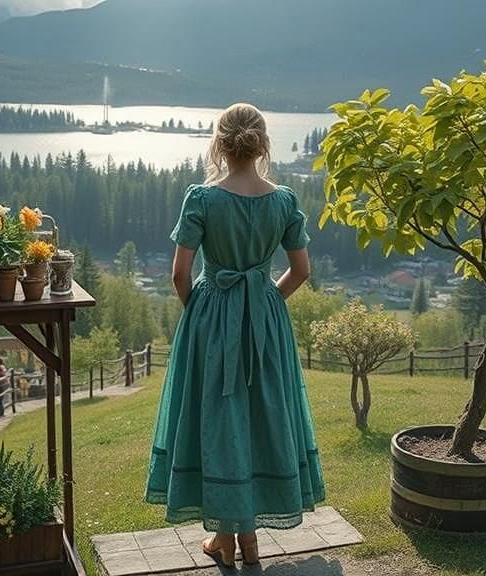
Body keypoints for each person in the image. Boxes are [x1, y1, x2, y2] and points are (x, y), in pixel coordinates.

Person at [145, 103, 325, 567]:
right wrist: (262, 303)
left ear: (220, 144)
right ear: (263, 143)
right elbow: (301, 271)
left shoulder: (202, 198)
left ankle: (228, 536)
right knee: (261, 417)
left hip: (210, 319)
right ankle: (242, 538)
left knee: (218, 419)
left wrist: (202, 315)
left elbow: (180, 274)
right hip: (264, 318)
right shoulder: (284, 200)